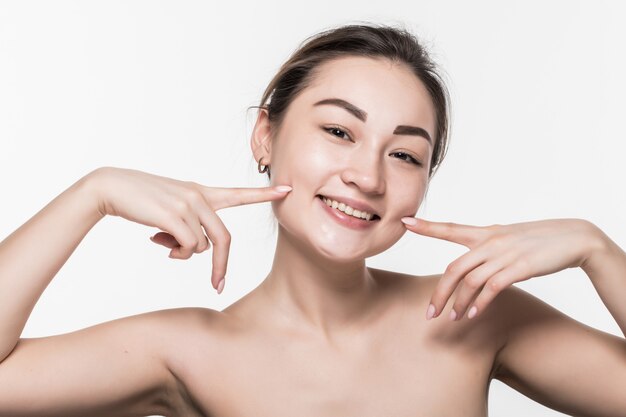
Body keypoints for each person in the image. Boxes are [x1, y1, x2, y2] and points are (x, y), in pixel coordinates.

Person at [0, 23, 625, 417]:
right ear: (265, 135)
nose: (368, 175)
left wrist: (597, 252)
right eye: (337, 131)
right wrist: (93, 194)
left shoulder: (476, 316)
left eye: (405, 154)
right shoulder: (185, 351)